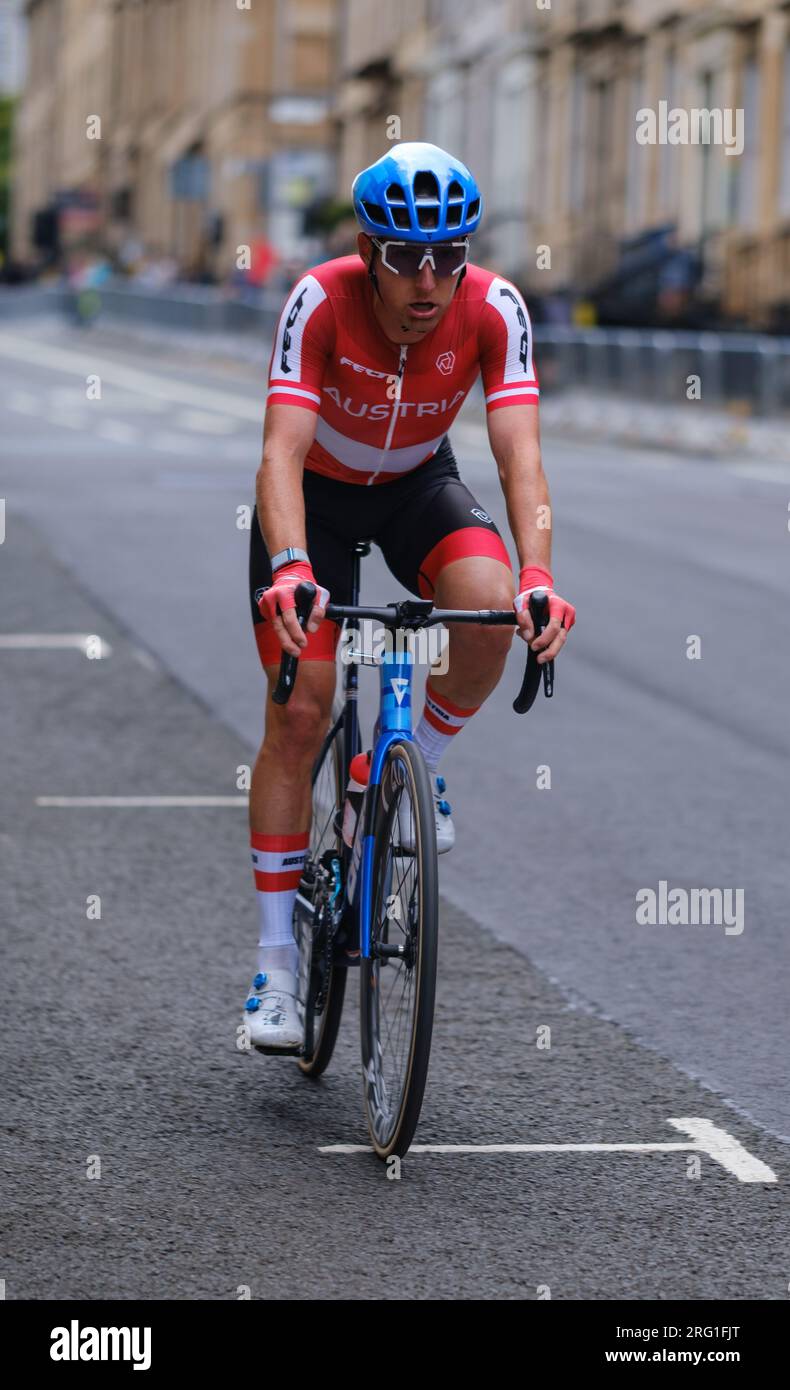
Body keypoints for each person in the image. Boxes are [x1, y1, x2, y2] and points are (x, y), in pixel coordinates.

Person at [242, 142, 575, 1049]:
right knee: (302, 712)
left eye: (448, 256)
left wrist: (540, 575)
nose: (427, 280)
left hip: (417, 485)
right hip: (313, 495)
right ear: (366, 247)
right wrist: (291, 568)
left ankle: (406, 762)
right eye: (403, 256)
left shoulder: (495, 307)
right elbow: (278, 451)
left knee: (491, 599)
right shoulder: (319, 299)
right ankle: (275, 971)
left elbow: (520, 457)